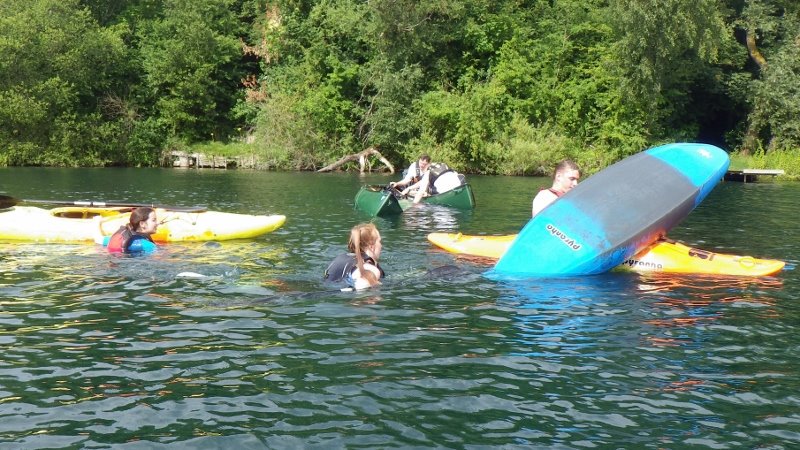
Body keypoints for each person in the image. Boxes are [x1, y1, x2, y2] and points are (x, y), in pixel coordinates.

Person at [324, 223, 384, 290]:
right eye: (379, 241)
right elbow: (361, 288)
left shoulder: (340, 257)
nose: (381, 245)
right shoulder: (371, 269)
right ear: (371, 246)